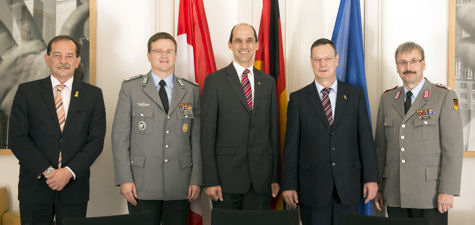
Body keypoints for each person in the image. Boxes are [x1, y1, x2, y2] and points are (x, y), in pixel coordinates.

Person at [8, 35, 106, 225]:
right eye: (57, 55)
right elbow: (17, 138)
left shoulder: (93, 95)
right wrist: (48, 171)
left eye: (69, 56)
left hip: (74, 189)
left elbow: (95, 141)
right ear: (47, 59)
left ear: (77, 61)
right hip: (35, 188)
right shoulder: (26, 92)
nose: (63, 61)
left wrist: (68, 172)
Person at [281, 38, 378, 225]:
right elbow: (291, 146)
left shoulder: (355, 95)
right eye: (317, 60)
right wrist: (289, 185)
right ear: (311, 62)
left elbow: (365, 139)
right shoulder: (298, 100)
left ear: (337, 60)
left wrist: (371, 178)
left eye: (327, 58)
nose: (323, 64)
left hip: (349, 187)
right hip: (312, 188)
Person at [111, 32, 201, 225]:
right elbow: (120, 138)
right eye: (158, 51)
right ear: (148, 55)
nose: (164, 55)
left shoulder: (191, 90)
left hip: (180, 182)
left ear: (176, 55)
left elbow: (196, 139)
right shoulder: (131, 88)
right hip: (141, 183)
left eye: (169, 51)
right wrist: (124, 179)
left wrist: (196, 179)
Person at [374, 42, 463, 225]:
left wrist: (447, 190)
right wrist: (379, 187)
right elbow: (380, 148)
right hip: (395, 192)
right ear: (397, 67)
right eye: (403, 62)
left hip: (430, 195)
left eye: (414, 61)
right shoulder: (387, 99)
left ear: (423, 64)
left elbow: (453, 149)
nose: (408, 67)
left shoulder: (444, 97)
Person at [200, 23, 280, 210]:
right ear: (230, 44)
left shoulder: (268, 82)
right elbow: (207, 135)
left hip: (261, 181)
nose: (244, 46)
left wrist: (275, 176)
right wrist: (210, 180)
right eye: (238, 41)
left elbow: (273, 133)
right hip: (225, 181)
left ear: (257, 45)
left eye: (249, 40)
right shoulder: (214, 81)